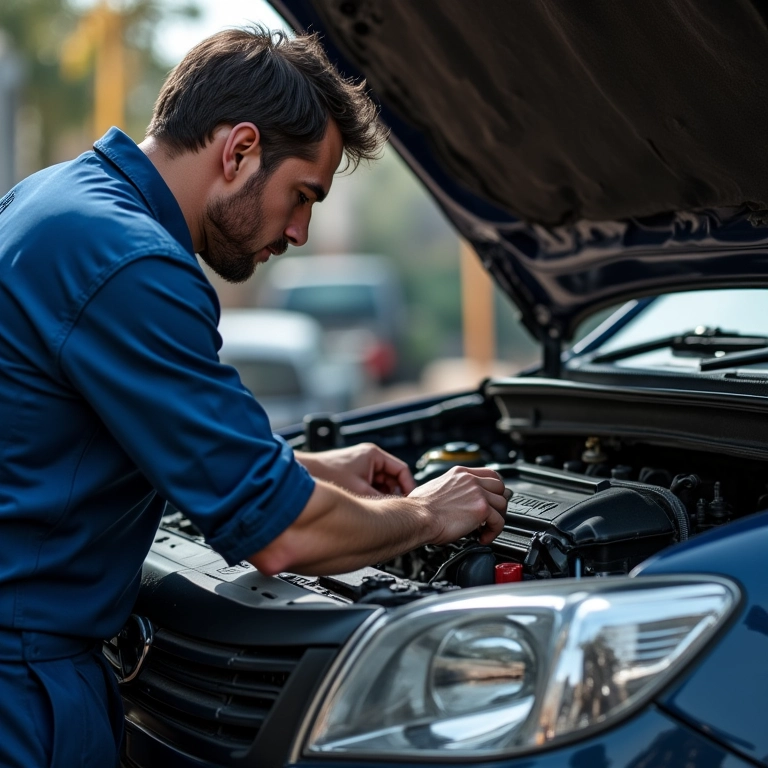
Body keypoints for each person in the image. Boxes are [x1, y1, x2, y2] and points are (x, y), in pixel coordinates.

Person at [0, 26, 509, 767]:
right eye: (302, 195)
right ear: (239, 151)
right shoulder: (132, 264)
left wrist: (310, 470)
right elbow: (282, 537)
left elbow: (106, 440)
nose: (300, 231)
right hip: (21, 687)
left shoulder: (55, 200)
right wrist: (429, 513)